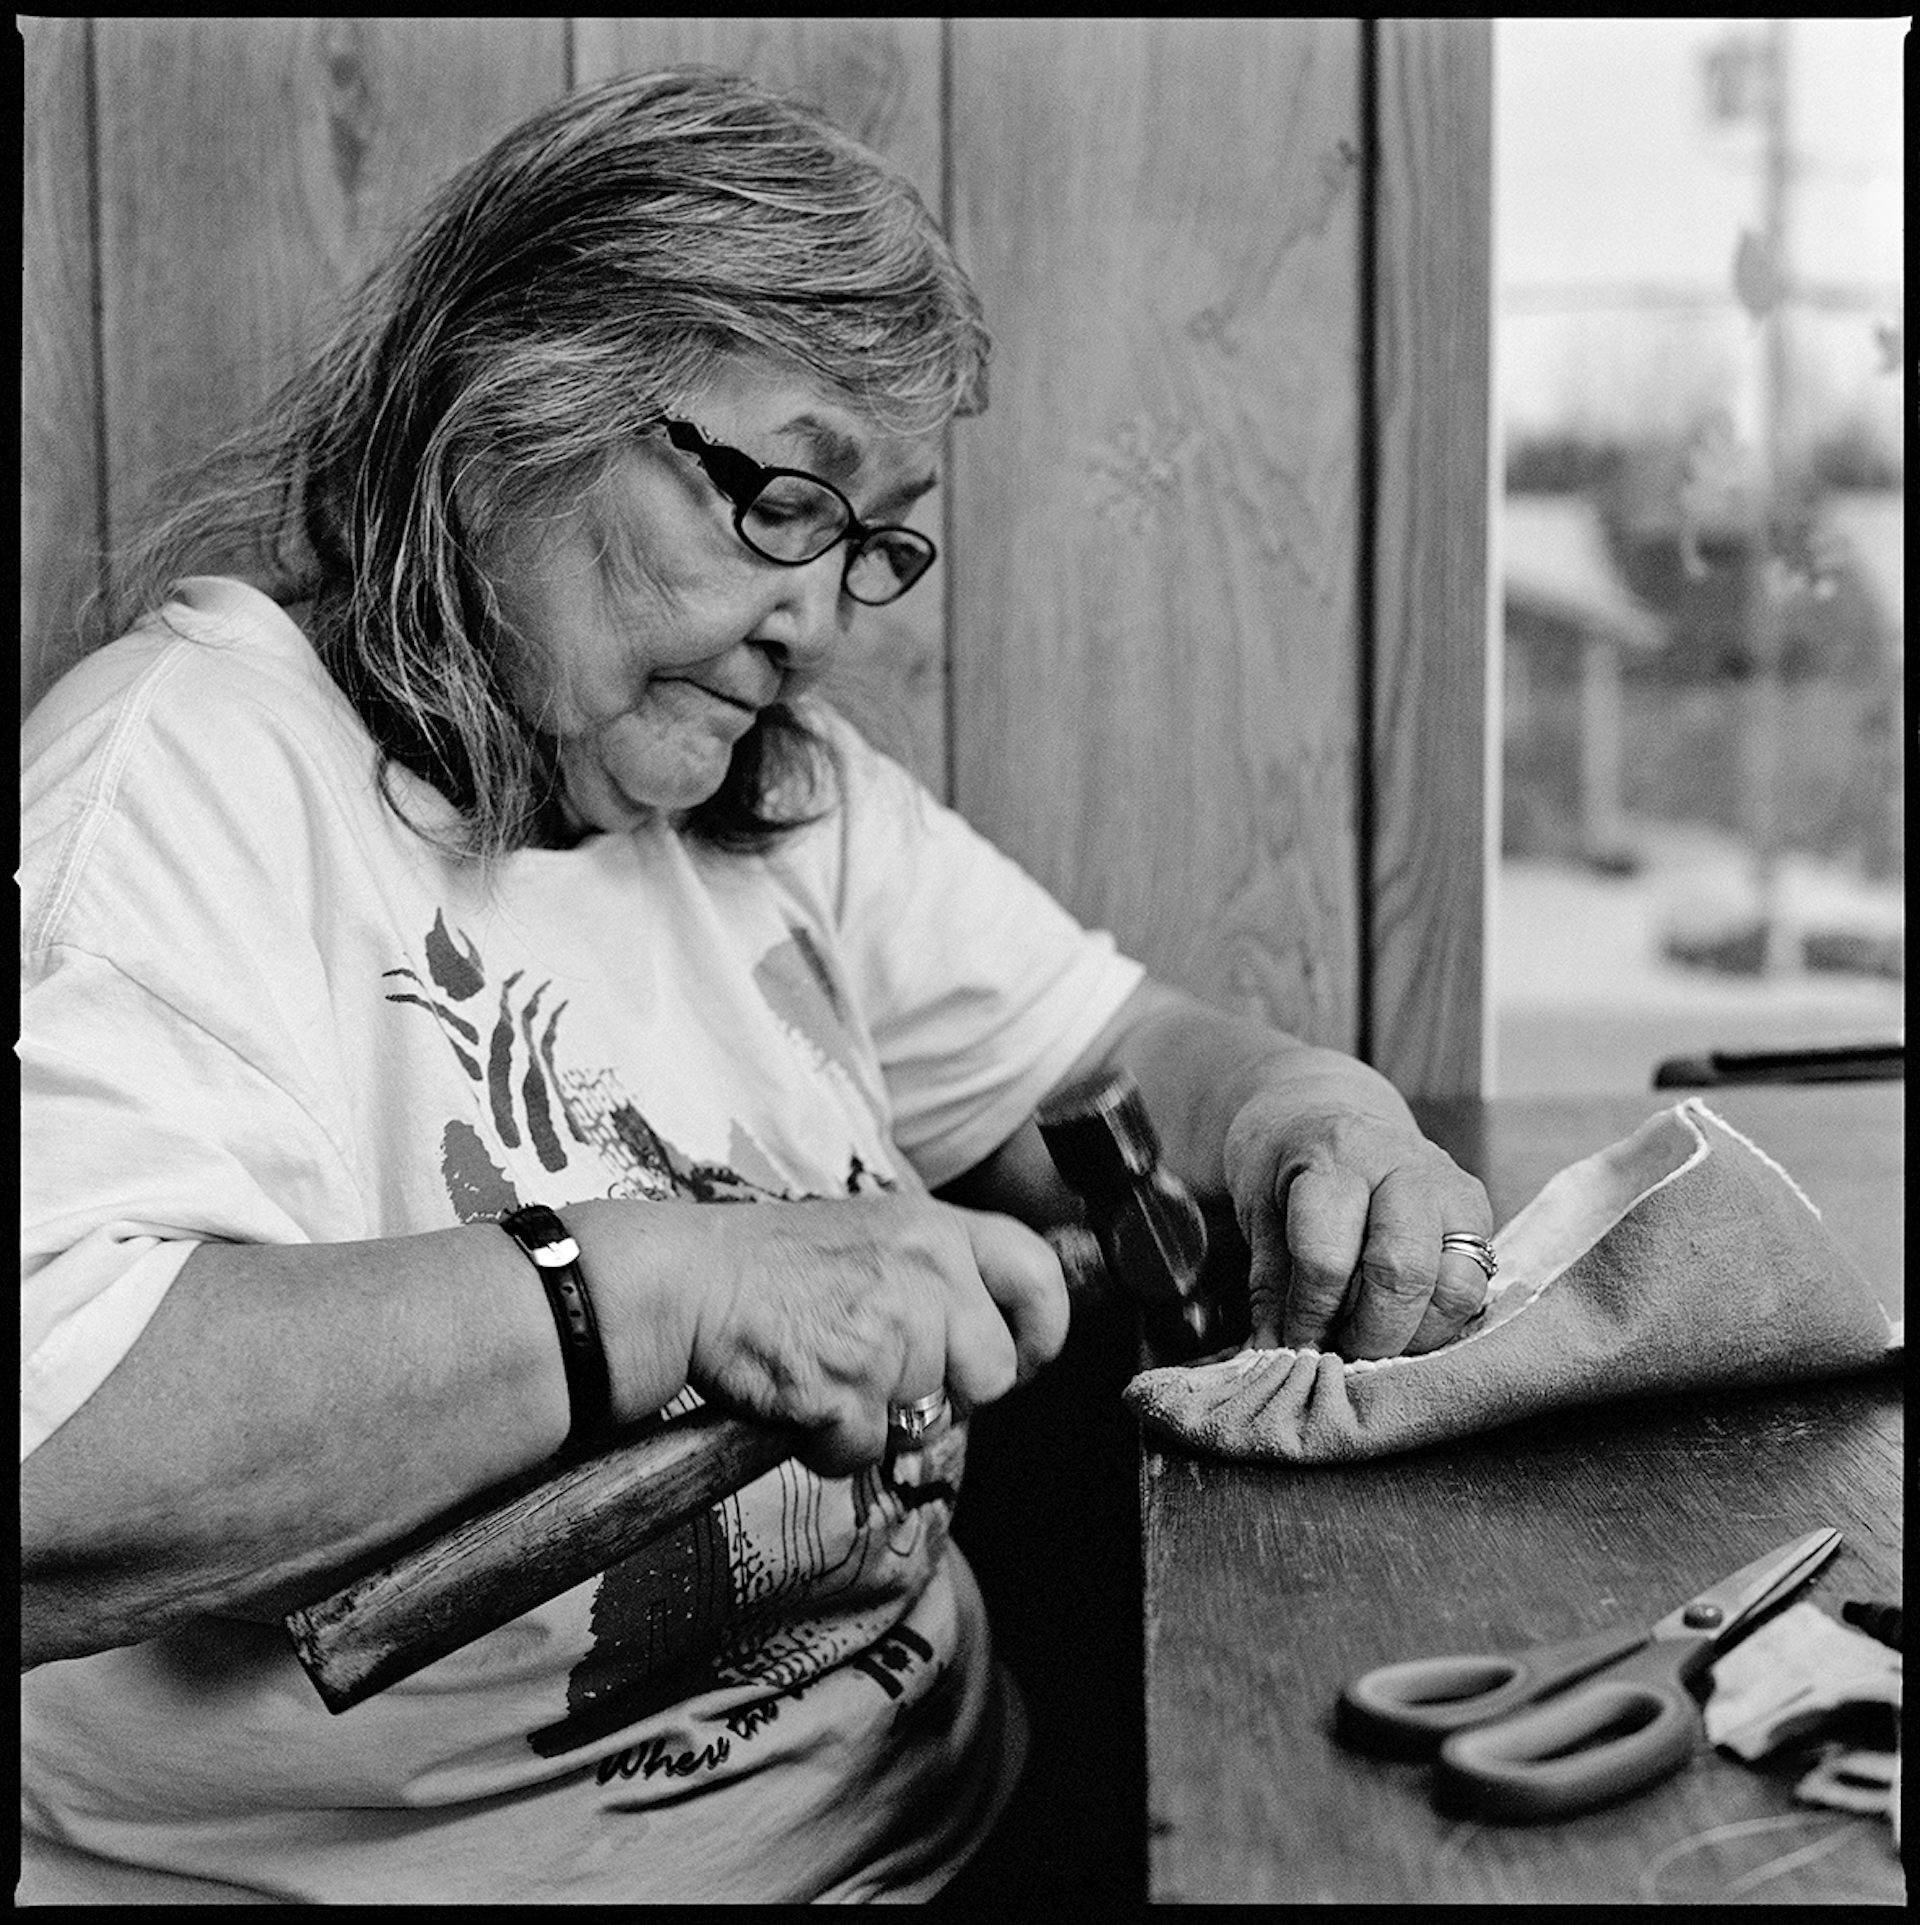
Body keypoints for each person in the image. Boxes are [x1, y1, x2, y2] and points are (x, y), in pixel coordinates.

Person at [19, 68, 1495, 1905]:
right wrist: (663, 1289)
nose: (819, 619)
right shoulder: (189, 779)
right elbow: (49, 1459)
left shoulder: (774, 798)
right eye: (781, 499)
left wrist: (1311, 1111)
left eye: (869, 543)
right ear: (506, 406)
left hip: (977, 1841)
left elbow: (1126, 1053)